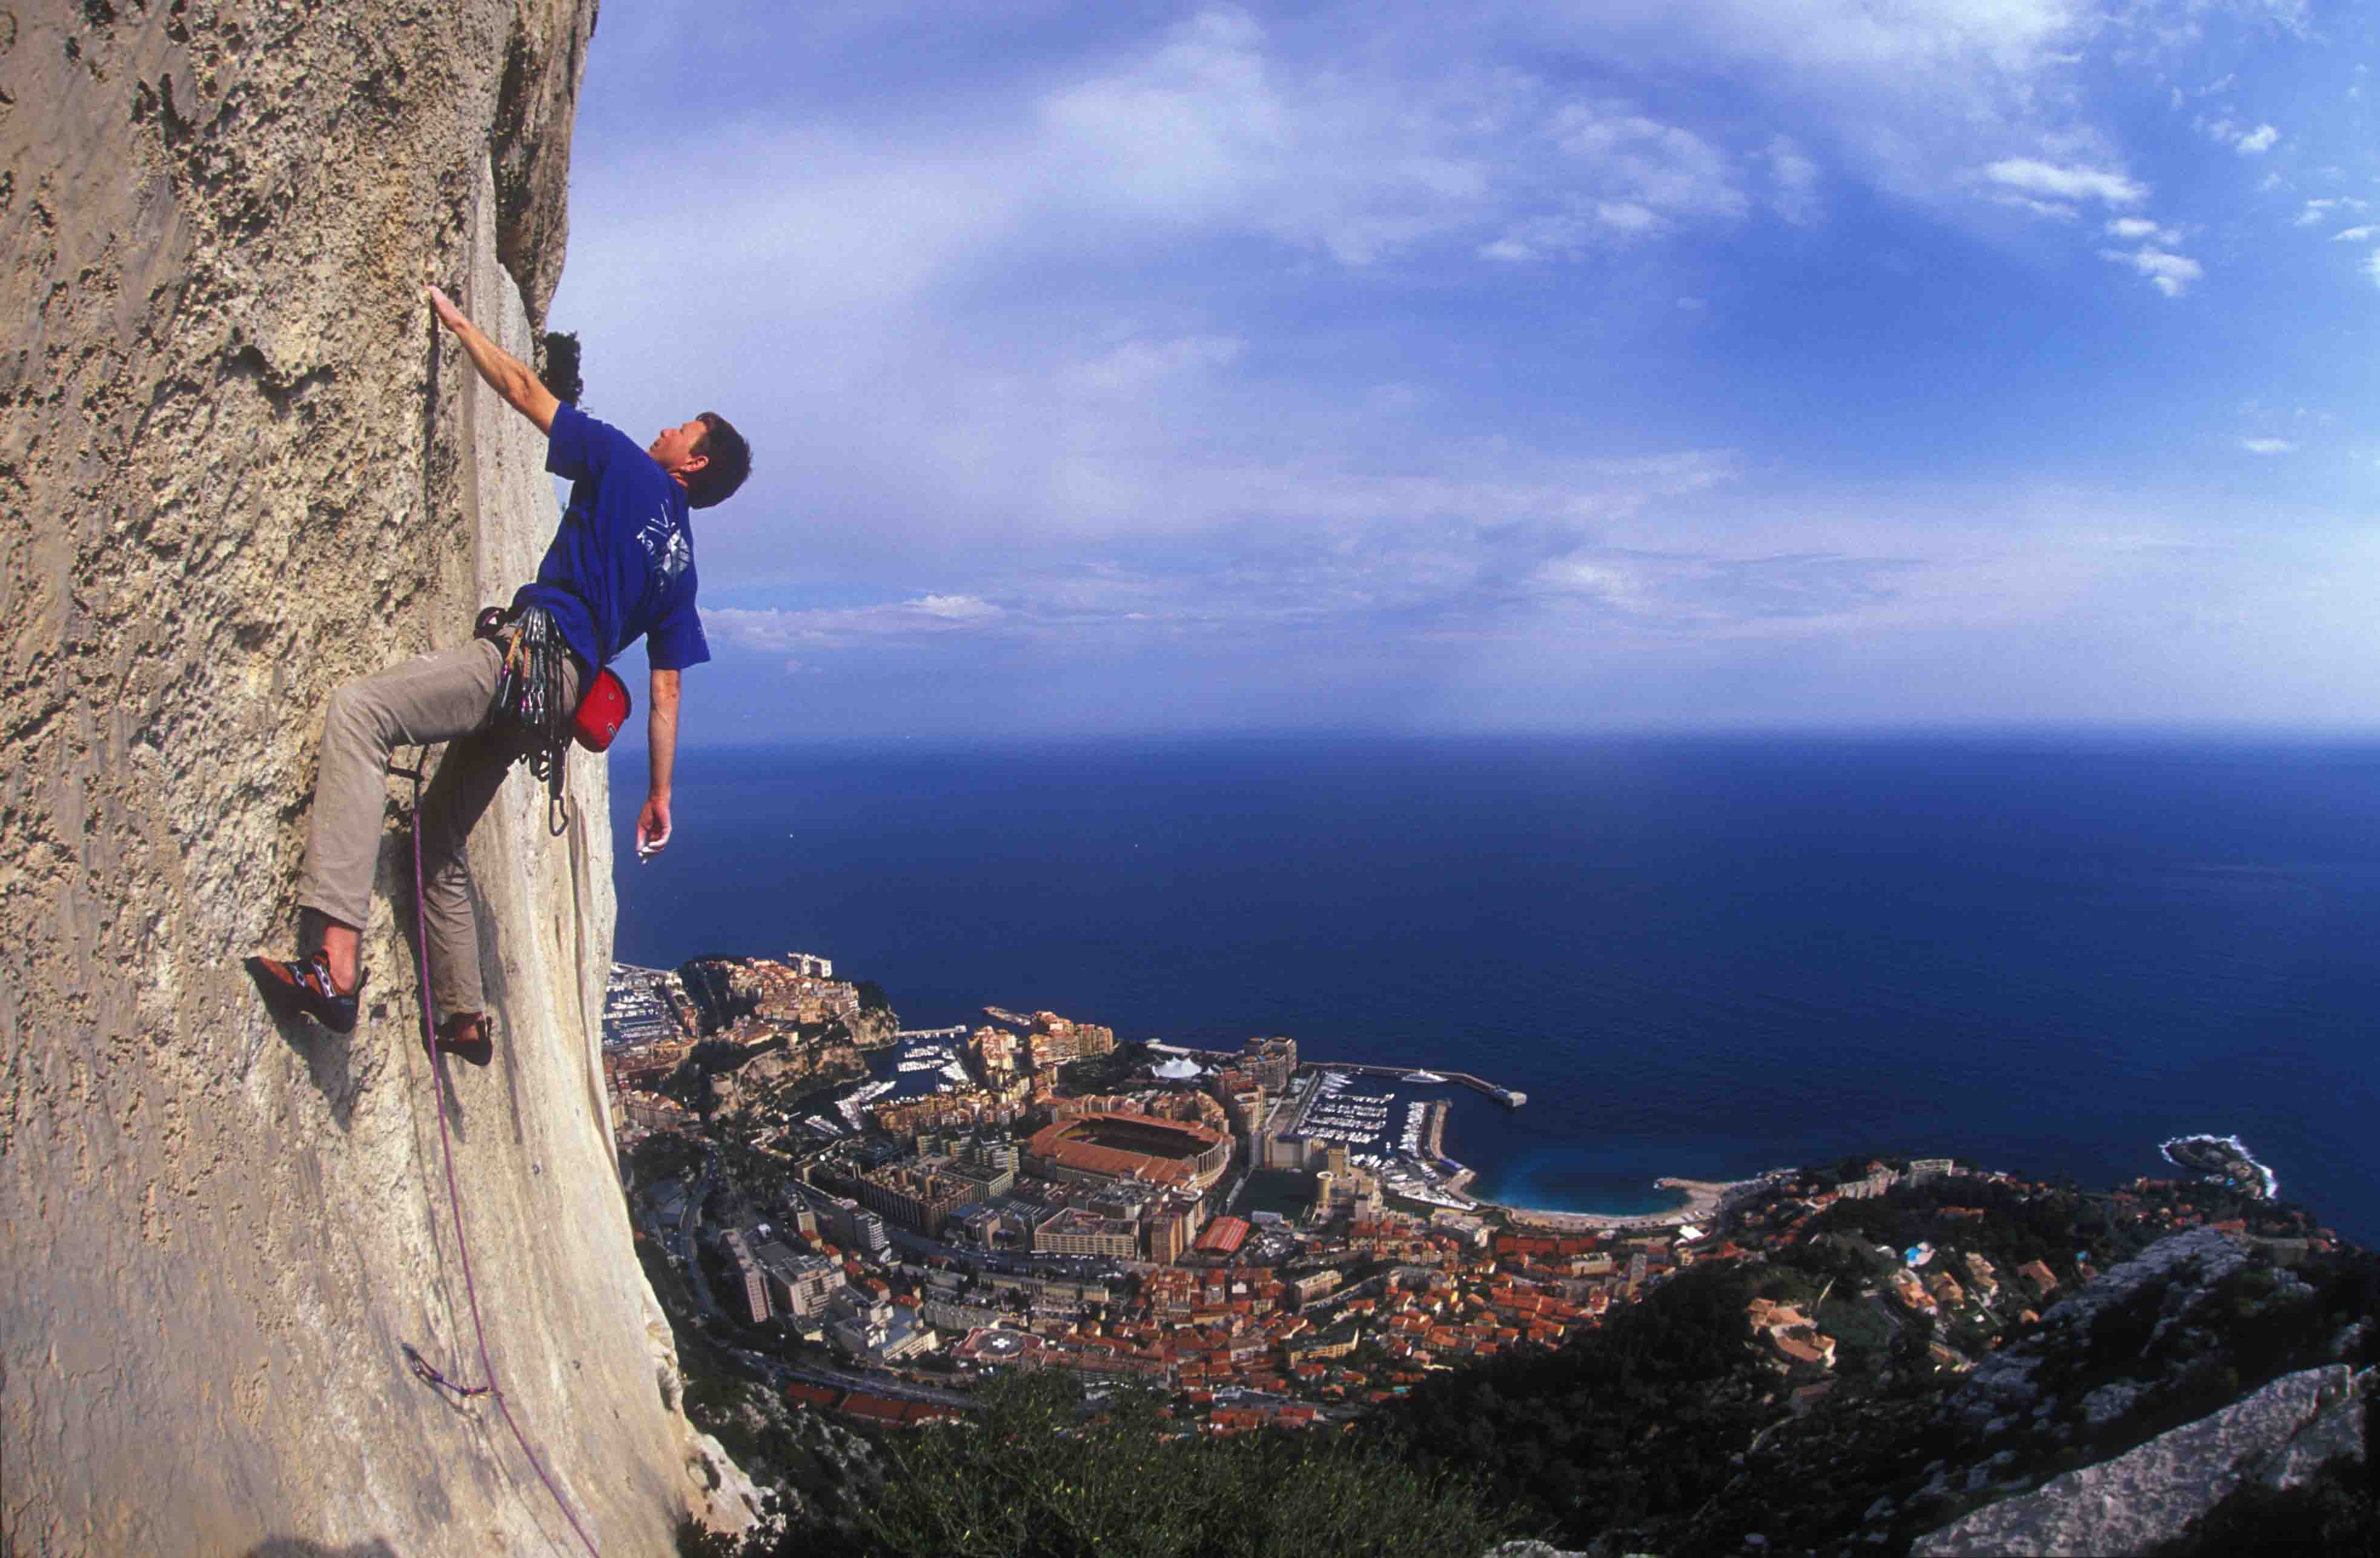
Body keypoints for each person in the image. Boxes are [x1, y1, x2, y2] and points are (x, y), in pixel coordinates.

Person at [247, 285, 750, 1064]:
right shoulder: (682, 575)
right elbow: (665, 688)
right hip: (558, 703)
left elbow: (525, 391)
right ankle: (463, 1015)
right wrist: (658, 796)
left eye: (684, 426)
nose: (665, 426)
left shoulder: (624, 463)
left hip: (525, 659)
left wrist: (462, 327)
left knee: (360, 713)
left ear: (695, 460)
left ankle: (332, 967)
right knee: (438, 843)